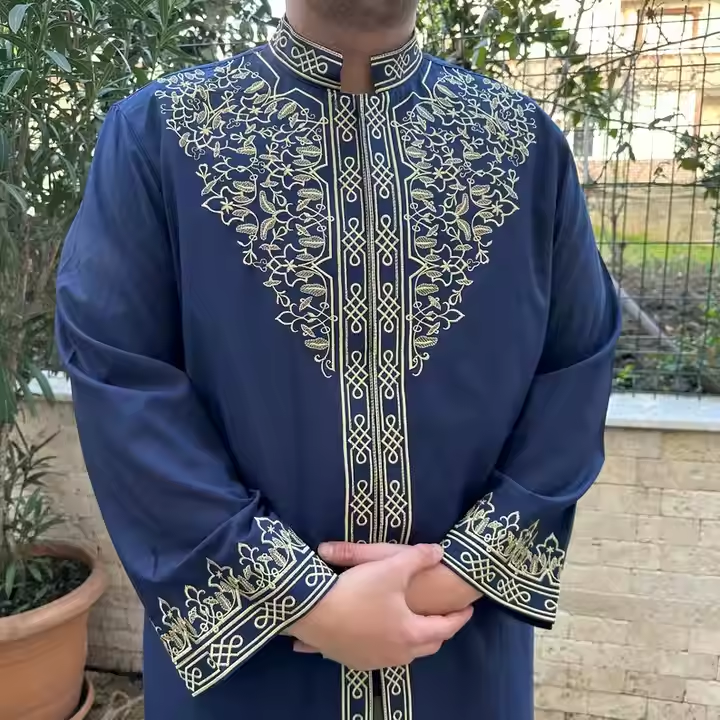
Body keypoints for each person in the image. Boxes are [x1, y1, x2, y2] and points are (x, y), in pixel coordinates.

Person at [55, 0, 621, 717]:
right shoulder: (158, 136)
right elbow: (120, 381)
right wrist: (302, 600)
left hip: (459, 655)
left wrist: (450, 577)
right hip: (250, 676)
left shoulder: (525, 146)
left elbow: (575, 376)